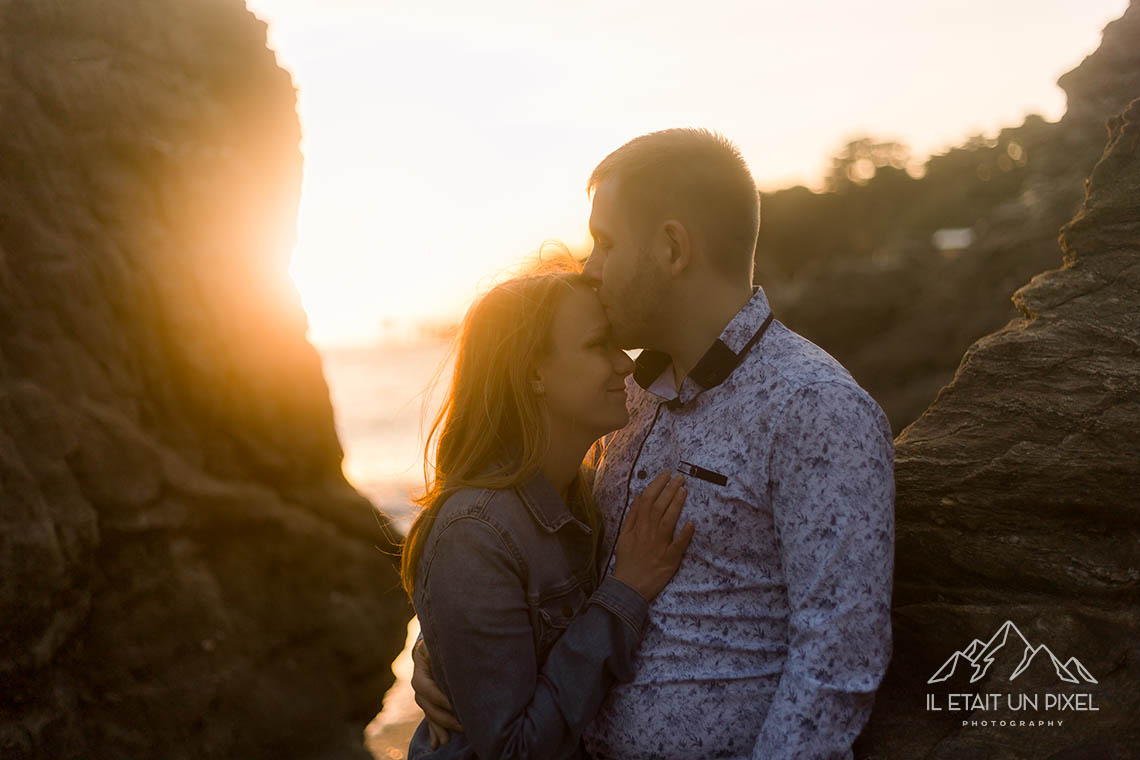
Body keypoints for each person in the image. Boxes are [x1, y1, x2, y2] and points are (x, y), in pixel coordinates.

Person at [413, 128, 896, 760]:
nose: (590, 268)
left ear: (671, 247)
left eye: (605, 243)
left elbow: (837, 657)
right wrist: (452, 648)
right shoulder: (631, 399)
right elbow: (559, 569)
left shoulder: (813, 406)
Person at [402, 258, 696, 759]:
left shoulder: (591, 494)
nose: (626, 364)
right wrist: (625, 592)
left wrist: (440, 648)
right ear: (533, 372)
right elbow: (513, 749)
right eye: (597, 345)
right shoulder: (474, 534)